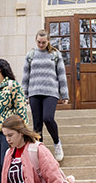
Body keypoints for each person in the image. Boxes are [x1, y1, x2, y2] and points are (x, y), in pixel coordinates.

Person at [21, 29, 69, 161]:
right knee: (37, 123)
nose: (41, 45)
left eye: (43, 42)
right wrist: (24, 95)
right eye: (38, 42)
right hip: (34, 91)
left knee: (48, 118)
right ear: (36, 40)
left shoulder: (55, 54)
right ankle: (39, 150)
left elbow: (61, 75)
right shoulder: (31, 55)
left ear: (48, 41)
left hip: (51, 92)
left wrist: (64, 94)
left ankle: (57, 143)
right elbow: (25, 76)